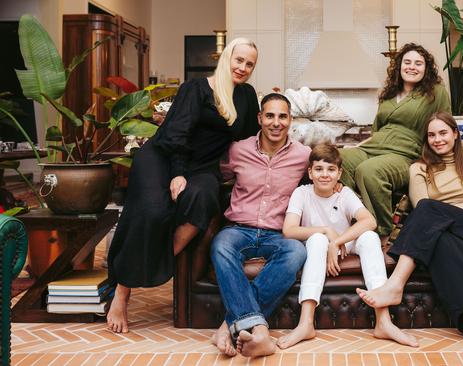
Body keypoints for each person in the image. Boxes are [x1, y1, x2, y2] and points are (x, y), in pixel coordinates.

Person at [106, 38, 260, 333]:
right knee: (153, 212)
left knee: (204, 198)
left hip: (202, 167)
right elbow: (177, 133)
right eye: (238, 60)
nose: (243, 67)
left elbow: (251, 137)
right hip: (164, 157)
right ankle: (123, 291)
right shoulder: (196, 88)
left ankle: (158, 262)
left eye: (249, 64)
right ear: (227, 58)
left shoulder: (247, 96)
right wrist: (177, 173)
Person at [356, 112, 463, 356]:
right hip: (440, 231)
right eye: (431, 135)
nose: (437, 139)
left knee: (428, 212)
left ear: (455, 134)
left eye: (443, 133)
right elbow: (420, 203)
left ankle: (395, 285)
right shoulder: (419, 169)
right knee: (440, 239)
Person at [277, 144, 418, 350]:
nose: (325, 175)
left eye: (331, 169)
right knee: (317, 239)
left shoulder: (344, 193)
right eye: (318, 169)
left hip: (343, 243)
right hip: (317, 246)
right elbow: (289, 230)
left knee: (370, 237)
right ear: (310, 172)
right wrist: (325, 232)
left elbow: (369, 221)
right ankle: (306, 323)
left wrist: (337, 241)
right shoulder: (302, 193)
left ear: (339, 173)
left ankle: (384, 321)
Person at [210, 93, 311, 358]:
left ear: (291, 120)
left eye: (282, 116)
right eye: (270, 116)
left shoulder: (303, 156)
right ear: (260, 118)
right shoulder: (237, 150)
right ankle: (260, 332)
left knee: (297, 252)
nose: (276, 123)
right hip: (238, 229)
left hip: (277, 233)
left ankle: (228, 325)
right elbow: (212, 175)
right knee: (220, 245)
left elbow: (326, 181)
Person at [340, 43, 451, 242]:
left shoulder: (435, 91)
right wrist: (358, 146)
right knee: (341, 159)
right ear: (399, 66)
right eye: (407, 62)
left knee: (369, 170)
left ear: (426, 68)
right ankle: (352, 219)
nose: (412, 67)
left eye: (418, 63)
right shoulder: (389, 93)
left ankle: (381, 229)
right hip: (376, 146)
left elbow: (445, 124)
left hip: (405, 153)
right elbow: (377, 129)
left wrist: (440, 157)